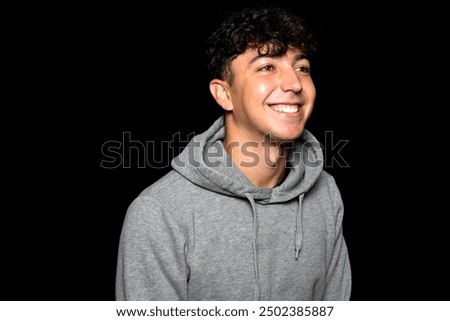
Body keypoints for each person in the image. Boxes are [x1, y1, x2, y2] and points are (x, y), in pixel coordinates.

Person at [115, 5, 351, 301]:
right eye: (267, 66)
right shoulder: (160, 212)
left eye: (302, 67)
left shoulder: (325, 194)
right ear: (224, 94)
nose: (294, 84)